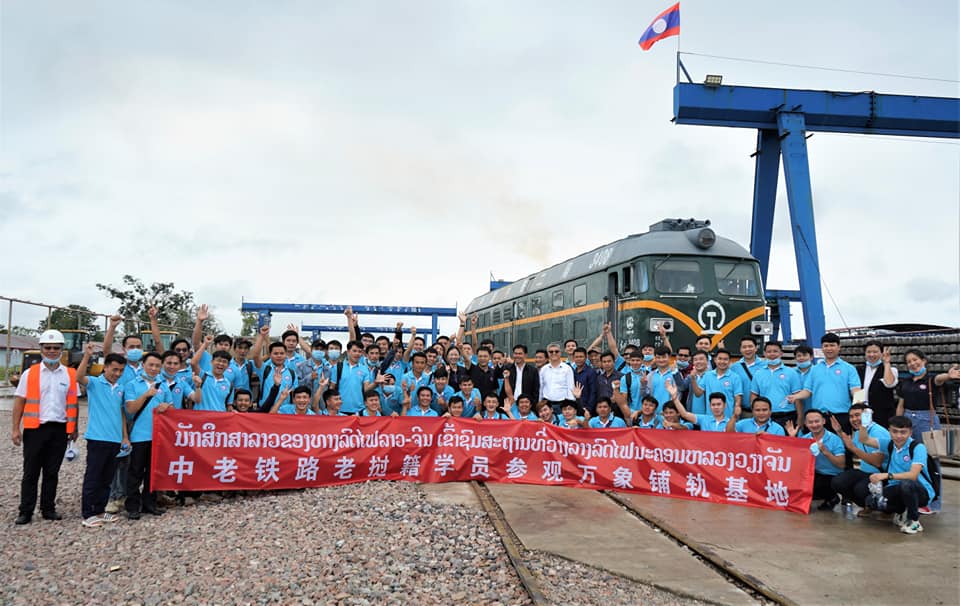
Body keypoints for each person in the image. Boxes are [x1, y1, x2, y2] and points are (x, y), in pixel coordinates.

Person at [11, 330, 79, 525]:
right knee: (30, 472)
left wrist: (73, 429)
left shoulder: (69, 374)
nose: (51, 351)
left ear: (61, 350)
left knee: (52, 472)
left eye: (55, 348)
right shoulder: (29, 374)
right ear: (41, 349)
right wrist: (16, 428)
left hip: (59, 430)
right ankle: (26, 511)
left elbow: (72, 403)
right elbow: (19, 402)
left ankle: (48, 508)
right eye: (47, 348)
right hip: (35, 429)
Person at [894, 349, 958, 514]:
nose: (913, 364)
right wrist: (896, 424)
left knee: (931, 461)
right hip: (907, 420)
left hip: (926, 421)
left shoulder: (930, 379)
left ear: (924, 361)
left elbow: (939, 379)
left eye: (915, 360)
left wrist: (949, 375)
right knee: (909, 460)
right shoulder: (905, 382)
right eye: (909, 361)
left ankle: (933, 502)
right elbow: (901, 404)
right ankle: (914, 498)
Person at [76, 345, 129, 527]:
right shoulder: (95, 383)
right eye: (114, 369)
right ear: (105, 367)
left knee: (107, 478)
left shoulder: (120, 388)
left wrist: (125, 436)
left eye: (121, 370)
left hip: (114, 439)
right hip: (98, 438)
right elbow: (78, 377)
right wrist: (87, 356)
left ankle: (100, 509)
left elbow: (120, 413)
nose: (117, 373)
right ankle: (88, 513)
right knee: (94, 476)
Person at [861, 415, 937, 534]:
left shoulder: (918, 447)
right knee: (872, 501)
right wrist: (864, 424)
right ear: (889, 431)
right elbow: (864, 440)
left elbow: (913, 476)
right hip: (896, 488)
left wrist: (887, 475)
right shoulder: (889, 444)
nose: (899, 436)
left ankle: (914, 521)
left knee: (906, 485)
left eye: (903, 432)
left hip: (920, 490)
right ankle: (901, 511)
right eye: (894, 431)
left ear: (910, 432)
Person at [124, 352, 174, 519]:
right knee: (135, 472)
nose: (153, 369)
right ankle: (132, 506)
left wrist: (166, 406)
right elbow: (130, 410)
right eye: (150, 365)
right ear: (143, 365)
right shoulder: (132, 384)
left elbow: (173, 411)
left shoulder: (163, 385)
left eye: (157, 366)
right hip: (139, 435)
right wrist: (146, 395)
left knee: (152, 473)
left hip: (158, 437)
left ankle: (149, 504)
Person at [789, 333, 861, 437]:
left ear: (839, 347)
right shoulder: (814, 369)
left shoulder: (849, 368)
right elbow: (808, 391)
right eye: (826, 346)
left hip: (841, 416)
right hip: (819, 417)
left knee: (844, 448)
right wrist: (796, 396)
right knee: (817, 448)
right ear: (822, 348)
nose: (829, 348)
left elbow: (856, 389)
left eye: (832, 345)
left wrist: (861, 406)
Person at [830, 403, 889, 512]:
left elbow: (877, 462)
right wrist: (839, 431)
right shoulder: (859, 432)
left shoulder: (878, 432)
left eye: (857, 415)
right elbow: (853, 445)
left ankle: (884, 507)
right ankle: (868, 505)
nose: (854, 419)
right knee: (838, 482)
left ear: (867, 416)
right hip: (864, 471)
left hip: (881, 475)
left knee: (860, 489)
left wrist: (853, 448)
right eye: (851, 416)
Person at [787, 409, 845, 511]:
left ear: (823, 421)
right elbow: (794, 459)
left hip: (831, 475)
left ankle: (832, 497)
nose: (814, 425)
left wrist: (826, 452)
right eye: (810, 422)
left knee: (819, 485)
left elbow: (841, 464)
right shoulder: (804, 438)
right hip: (812, 474)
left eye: (817, 421)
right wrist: (792, 438)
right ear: (805, 423)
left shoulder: (835, 439)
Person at [750, 341, 803, 429]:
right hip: (765, 417)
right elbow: (753, 395)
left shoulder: (791, 372)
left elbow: (797, 397)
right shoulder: (758, 373)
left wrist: (800, 417)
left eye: (775, 351)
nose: (772, 354)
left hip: (788, 416)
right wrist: (755, 414)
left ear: (781, 353)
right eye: (769, 351)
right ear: (764, 353)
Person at [857, 341, 898, 428]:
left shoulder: (891, 369)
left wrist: (886, 363)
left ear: (881, 353)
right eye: (868, 352)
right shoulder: (858, 370)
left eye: (875, 352)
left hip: (883, 414)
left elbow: (889, 383)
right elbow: (857, 390)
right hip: (864, 412)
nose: (872, 354)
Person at [693, 349, 743, 418]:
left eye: (725, 359)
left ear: (729, 361)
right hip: (710, 417)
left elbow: (737, 397)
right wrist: (693, 379)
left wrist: (737, 407)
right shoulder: (707, 375)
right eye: (720, 359)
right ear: (715, 360)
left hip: (728, 418)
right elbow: (698, 394)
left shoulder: (735, 377)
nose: (722, 361)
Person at [191, 336, 235, 412]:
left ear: (228, 365)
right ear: (211, 362)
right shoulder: (203, 376)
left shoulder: (229, 385)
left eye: (224, 362)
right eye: (218, 361)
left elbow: (229, 406)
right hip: (200, 419)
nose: (221, 364)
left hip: (219, 420)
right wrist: (205, 344)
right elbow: (193, 363)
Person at [330, 340, 374, 414]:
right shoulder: (337, 367)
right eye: (354, 351)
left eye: (360, 351)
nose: (357, 354)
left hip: (359, 410)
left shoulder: (365, 369)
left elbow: (366, 389)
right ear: (348, 351)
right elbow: (332, 388)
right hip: (339, 410)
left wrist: (376, 383)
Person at [539, 343, 575, 417]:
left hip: (562, 405)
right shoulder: (543, 369)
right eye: (551, 352)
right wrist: (539, 403)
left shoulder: (567, 368)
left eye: (556, 351)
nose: (554, 353)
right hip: (547, 404)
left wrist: (569, 406)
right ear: (548, 354)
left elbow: (570, 387)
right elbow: (541, 388)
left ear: (560, 353)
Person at [730, 336, 764, 412]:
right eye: (744, 347)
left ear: (756, 348)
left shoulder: (765, 365)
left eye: (750, 346)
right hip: (742, 410)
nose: (747, 349)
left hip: (762, 410)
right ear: (740, 349)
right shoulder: (734, 367)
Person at [571, 347, 598, 415]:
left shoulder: (591, 372)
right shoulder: (571, 372)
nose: (578, 359)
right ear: (573, 358)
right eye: (576, 357)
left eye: (581, 357)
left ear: (586, 358)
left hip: (586, 408)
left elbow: (593, 392)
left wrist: (589, 409)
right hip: (573, 408)